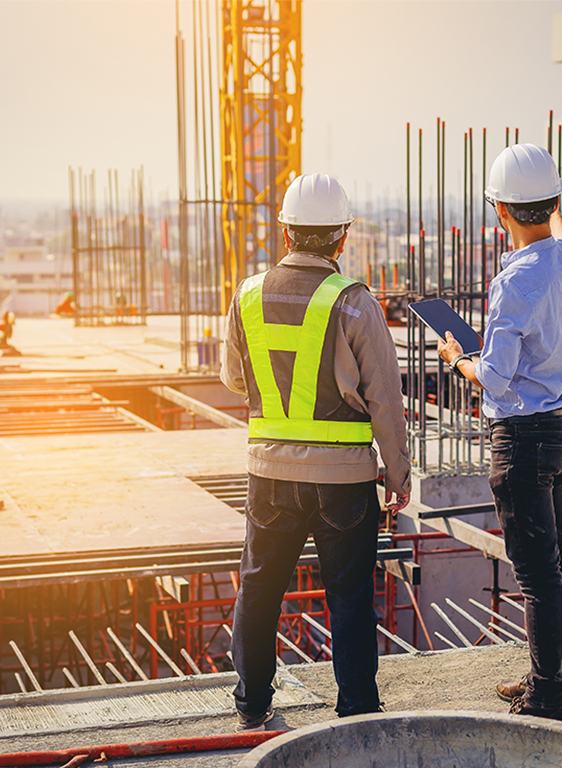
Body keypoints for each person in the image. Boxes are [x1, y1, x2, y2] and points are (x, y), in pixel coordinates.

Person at [220, 173, 411, 731]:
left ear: (285, 233)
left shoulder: (247, 295)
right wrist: (397, 474)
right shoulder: (354, 303)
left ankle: (252, 705)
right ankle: (355, 711)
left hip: (269, 474)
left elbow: (234, 377)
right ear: (341, 237)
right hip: (344, 481)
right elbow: (386, 400)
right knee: (349, 599)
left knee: (258, 589)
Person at [437, 144, 562, 722]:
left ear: (499, 211)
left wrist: (456, 357)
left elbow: (495, 381)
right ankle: (552, 677)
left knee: (538, 572)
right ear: (550, 204)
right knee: (554, 563)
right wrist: (548, 202)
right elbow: (561, 233)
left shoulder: (514, 281)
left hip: (522, 439)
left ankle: (547, 695)